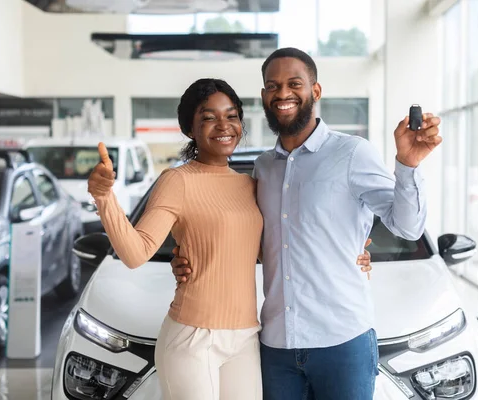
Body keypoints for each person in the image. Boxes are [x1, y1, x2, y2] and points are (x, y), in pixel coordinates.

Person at [171, 48, 442, 400]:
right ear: (265, 97)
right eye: (273, 86)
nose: (283, 93)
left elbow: (408, 228)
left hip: (342, 343)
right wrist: (189, 255)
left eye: (294, 83)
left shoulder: (352, 153)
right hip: (275, 345)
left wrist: (408, 164)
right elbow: (248, 240)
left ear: (315, 91)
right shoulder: (263, 167)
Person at [87, 77, 372, 400]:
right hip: (193, 338)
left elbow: (277, 247)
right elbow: (136, 253)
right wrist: (104, 197)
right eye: (209, 117)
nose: (223, 125)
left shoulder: (249, 184)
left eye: (232, 115)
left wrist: (350, 249)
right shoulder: (176, 181)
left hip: (247, 337)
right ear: (189, 129)